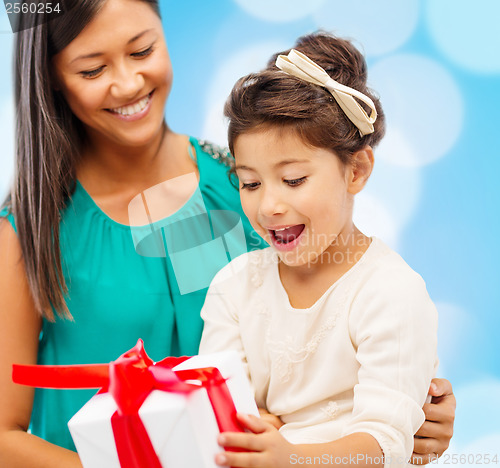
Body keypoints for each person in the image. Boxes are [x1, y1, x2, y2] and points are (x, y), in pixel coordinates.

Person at [0, 1, 454, 467]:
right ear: (50, 76)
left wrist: (415, 402)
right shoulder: (28, 232)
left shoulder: (239, 184)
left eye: (142, 51)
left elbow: (333, 350)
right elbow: (2, 435)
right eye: (93, 70)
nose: (129, 82)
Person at [198, 32, 452, 468]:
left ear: (356, 169)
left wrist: (291, 456)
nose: (270, 206)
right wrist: (254, 424)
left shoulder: (390, 292)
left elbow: (387, 443)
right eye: (250, 183)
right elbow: (215, 411)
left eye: (294, 179)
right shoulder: (235, 286)